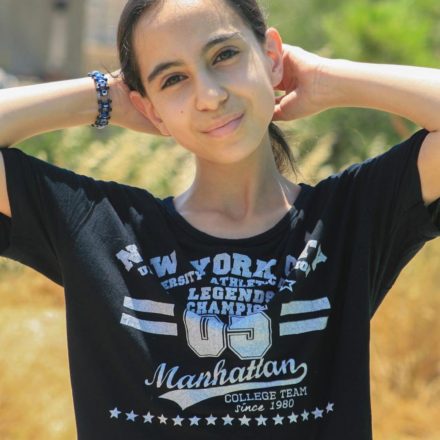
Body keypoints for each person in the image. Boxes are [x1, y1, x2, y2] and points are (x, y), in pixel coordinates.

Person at [0, 0, 439, 438]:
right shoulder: (102, 229)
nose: (210, 96)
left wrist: (326, 79)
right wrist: (105, 97)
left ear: (271, 57)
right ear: (149, 109)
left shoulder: (349, 219)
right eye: (173, 79)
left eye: (225, 55)